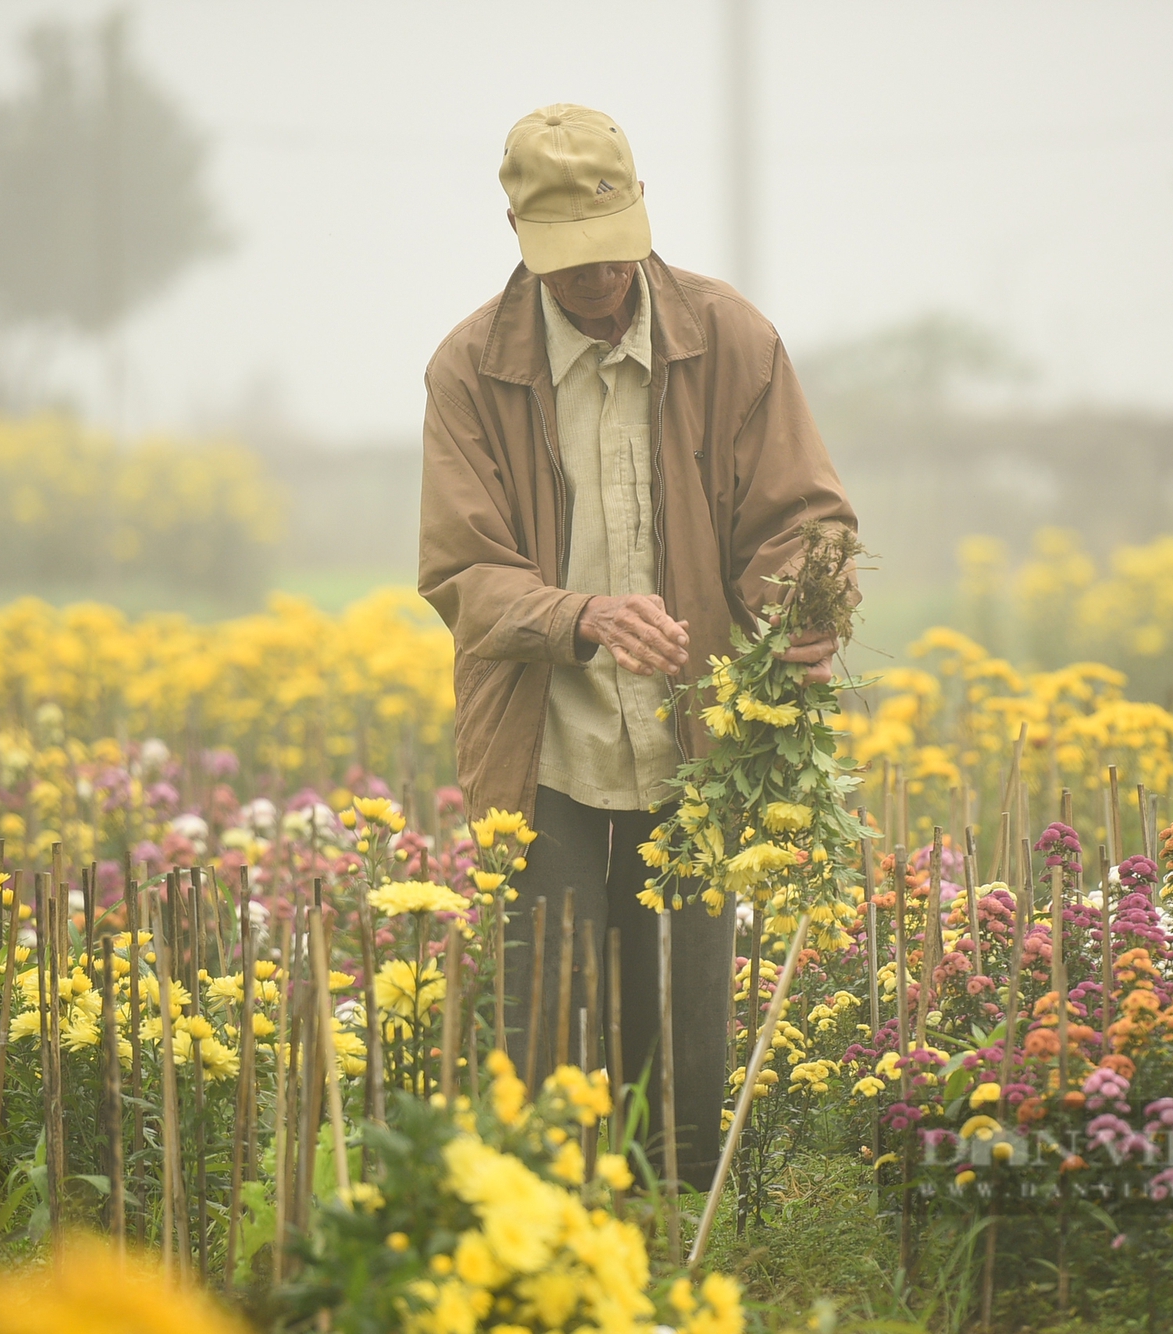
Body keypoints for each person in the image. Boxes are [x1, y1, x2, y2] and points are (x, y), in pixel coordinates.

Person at [418, 103, 858, 1182]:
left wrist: (804, 606)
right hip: (543, 749)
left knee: (685, 1039)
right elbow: (461, 573)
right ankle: (548, 1252)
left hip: (692, 751)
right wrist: (582, 614)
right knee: (542, 1034)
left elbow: (803, 519)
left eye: (615, 258)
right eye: (571, 266)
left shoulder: (732, 339)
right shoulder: (470, 367)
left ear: (642, 216)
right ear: (517, 235)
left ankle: (679, 1253)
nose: (601, 285)